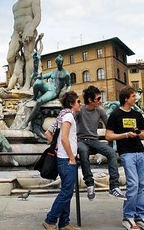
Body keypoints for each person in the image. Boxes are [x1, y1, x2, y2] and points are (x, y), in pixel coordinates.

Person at [105, 86, 144, 230]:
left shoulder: (137, 115)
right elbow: (108, 135)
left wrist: (137, 133)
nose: (136, 98)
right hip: (126, 152)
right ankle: (128, 216)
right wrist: (126, 135)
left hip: (140, 151)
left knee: (142, 184)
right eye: (133, 96)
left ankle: (140, 216)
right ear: (126, 98)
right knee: (133, 184)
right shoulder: (115, 114)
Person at [76, 85, 126, 201]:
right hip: (81, 140)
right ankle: (89, 184)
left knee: (111, 152)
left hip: (94, 140)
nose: (100, 101)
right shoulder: (80, 110)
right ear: (90, 100)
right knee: (83, 151)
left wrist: (112, 142)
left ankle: (114, 186)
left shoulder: (100, 110)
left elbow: (110, 126)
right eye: (98, 99)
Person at [42, 90, 81, 230]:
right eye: (78, 101)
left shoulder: (62, 115)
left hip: (63, 157)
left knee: (67, 190)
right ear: (71, 103)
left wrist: (55, 146)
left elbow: (47, 132)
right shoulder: (68, 116)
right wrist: (71, 157)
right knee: (67, 192)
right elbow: (64, 138)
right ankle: (50, 220)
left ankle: (64, 223)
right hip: (66, 159)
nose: (80, 104)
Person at [6, 0, 41, 91]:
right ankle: (16, 83)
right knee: (10, 57)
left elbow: (37, 17)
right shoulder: (14, 6)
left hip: (28, 27)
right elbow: (15, 22)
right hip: (16, 31)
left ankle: (27, 85)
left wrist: (31, 29)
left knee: (28, 56)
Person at [22, 54, 71, 129]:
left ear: (62, 62)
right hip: (48, 86)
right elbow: (42, 77)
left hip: (54, 91)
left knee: (39, 102)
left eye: (60, 62)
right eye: (58, 63)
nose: (59, 64)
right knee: (38, 82)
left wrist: (65, 92)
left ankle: (27, 122)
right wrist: (36, 69)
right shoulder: (53, 72)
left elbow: (69, 85)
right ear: (56, 63)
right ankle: (34, 97)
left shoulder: (66, 74)